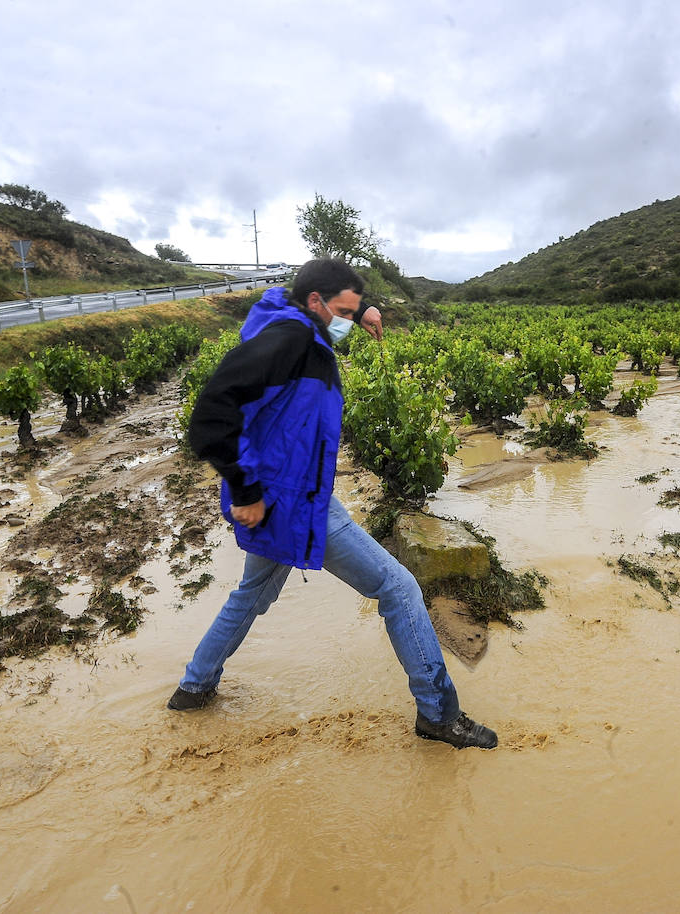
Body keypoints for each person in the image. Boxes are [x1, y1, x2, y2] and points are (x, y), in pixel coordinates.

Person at [168, 258, 497, 750]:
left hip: (294, 491)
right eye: (341, 310)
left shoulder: (293, 318)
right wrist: (246, 490)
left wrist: (361, 308)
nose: (348, 320)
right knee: (399, 587)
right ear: (317, 304)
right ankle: (438, 714)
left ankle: (194, 689)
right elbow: (211, 417)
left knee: (252, 595)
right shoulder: (290, 341)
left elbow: (311, 290)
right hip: (290, 502)